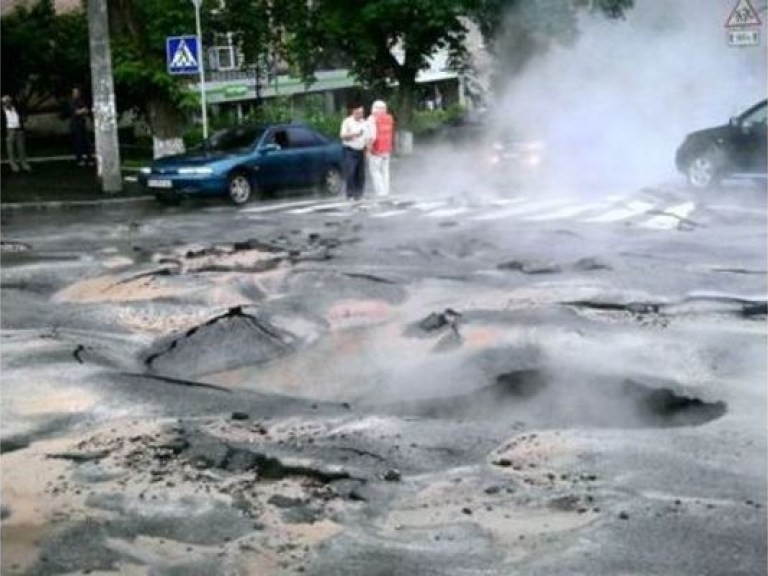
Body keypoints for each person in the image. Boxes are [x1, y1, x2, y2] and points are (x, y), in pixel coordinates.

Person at [339, 103, 368, 200]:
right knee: (350, 172)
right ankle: (350, 194)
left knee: (360, 174)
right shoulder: (347, 122)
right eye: (358, 112)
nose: (360, 114)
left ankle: (359, 194)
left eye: (362, 112)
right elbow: (342, 136)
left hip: (361, 150)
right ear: (354, 112)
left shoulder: (364, 122)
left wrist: (367, 148)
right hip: (350, 150)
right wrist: (355, 134)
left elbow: (367, 136)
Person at [366, 100, 395, 197]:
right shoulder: (388, 118)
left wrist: (368, 149)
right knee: (385, 172)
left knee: (375, 171)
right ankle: (386, 191)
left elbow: (373, 136)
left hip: (376, 150)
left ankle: (380, 192)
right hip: (386, 149)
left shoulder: (372, 119)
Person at [1, 95, 31, 172]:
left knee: (21, 148)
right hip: (9, 130)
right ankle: (13, 164)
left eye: (9, 101)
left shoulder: (16, 109)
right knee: (10, 149)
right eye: (6, 102)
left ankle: (24, 164)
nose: (8, 103)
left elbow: (23, 116)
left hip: (19, 129)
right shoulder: (2, 111)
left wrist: (22, 122)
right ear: (3, 103)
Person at [69, 87, 93, 166]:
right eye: (74, 92)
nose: (75, 94)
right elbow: (76, 112)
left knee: (87, 142)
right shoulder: (72, 102)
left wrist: (83, 110)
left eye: (76, 92)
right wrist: (82, 110)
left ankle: (89, 159)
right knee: (78, 142)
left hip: (82, 124)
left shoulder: (81, 101)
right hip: (76, 125)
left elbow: (86, 110)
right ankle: (79, 159)